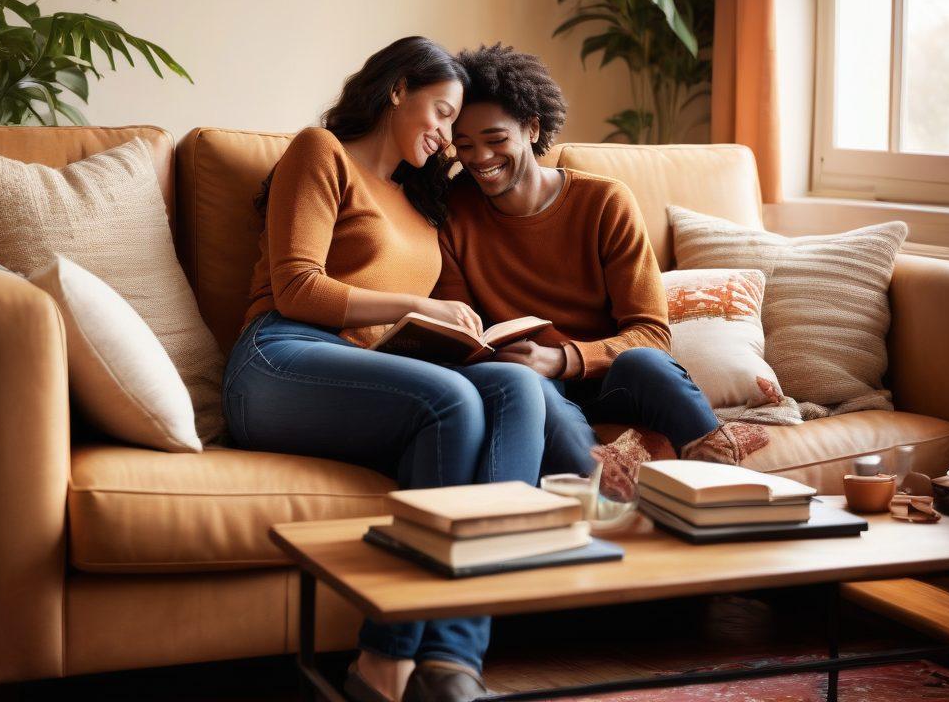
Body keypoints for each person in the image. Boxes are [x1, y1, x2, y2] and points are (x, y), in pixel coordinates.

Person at [224, 36, 546, 702]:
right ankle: (384, 664)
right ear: (398, 89)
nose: (447, 136)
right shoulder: (322, 152)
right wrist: (416, 304)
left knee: (516, 388)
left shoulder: (423, 202)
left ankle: (451, 662)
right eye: (441, 113)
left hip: (375, 367)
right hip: (280, 357)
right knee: (450, 401)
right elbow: (297, 288)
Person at [436, 43, 770, 501]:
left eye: (495, 140)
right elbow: (462, 331)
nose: (480, 158)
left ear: (533, 128)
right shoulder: (453, 211)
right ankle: (604, 492)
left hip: (610, 378)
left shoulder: (604, 202)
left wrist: (563, 359)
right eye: (465, 145)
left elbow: (652, 334)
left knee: (646, 363)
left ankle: (723, 484)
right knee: (534, 390)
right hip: (530, 384)